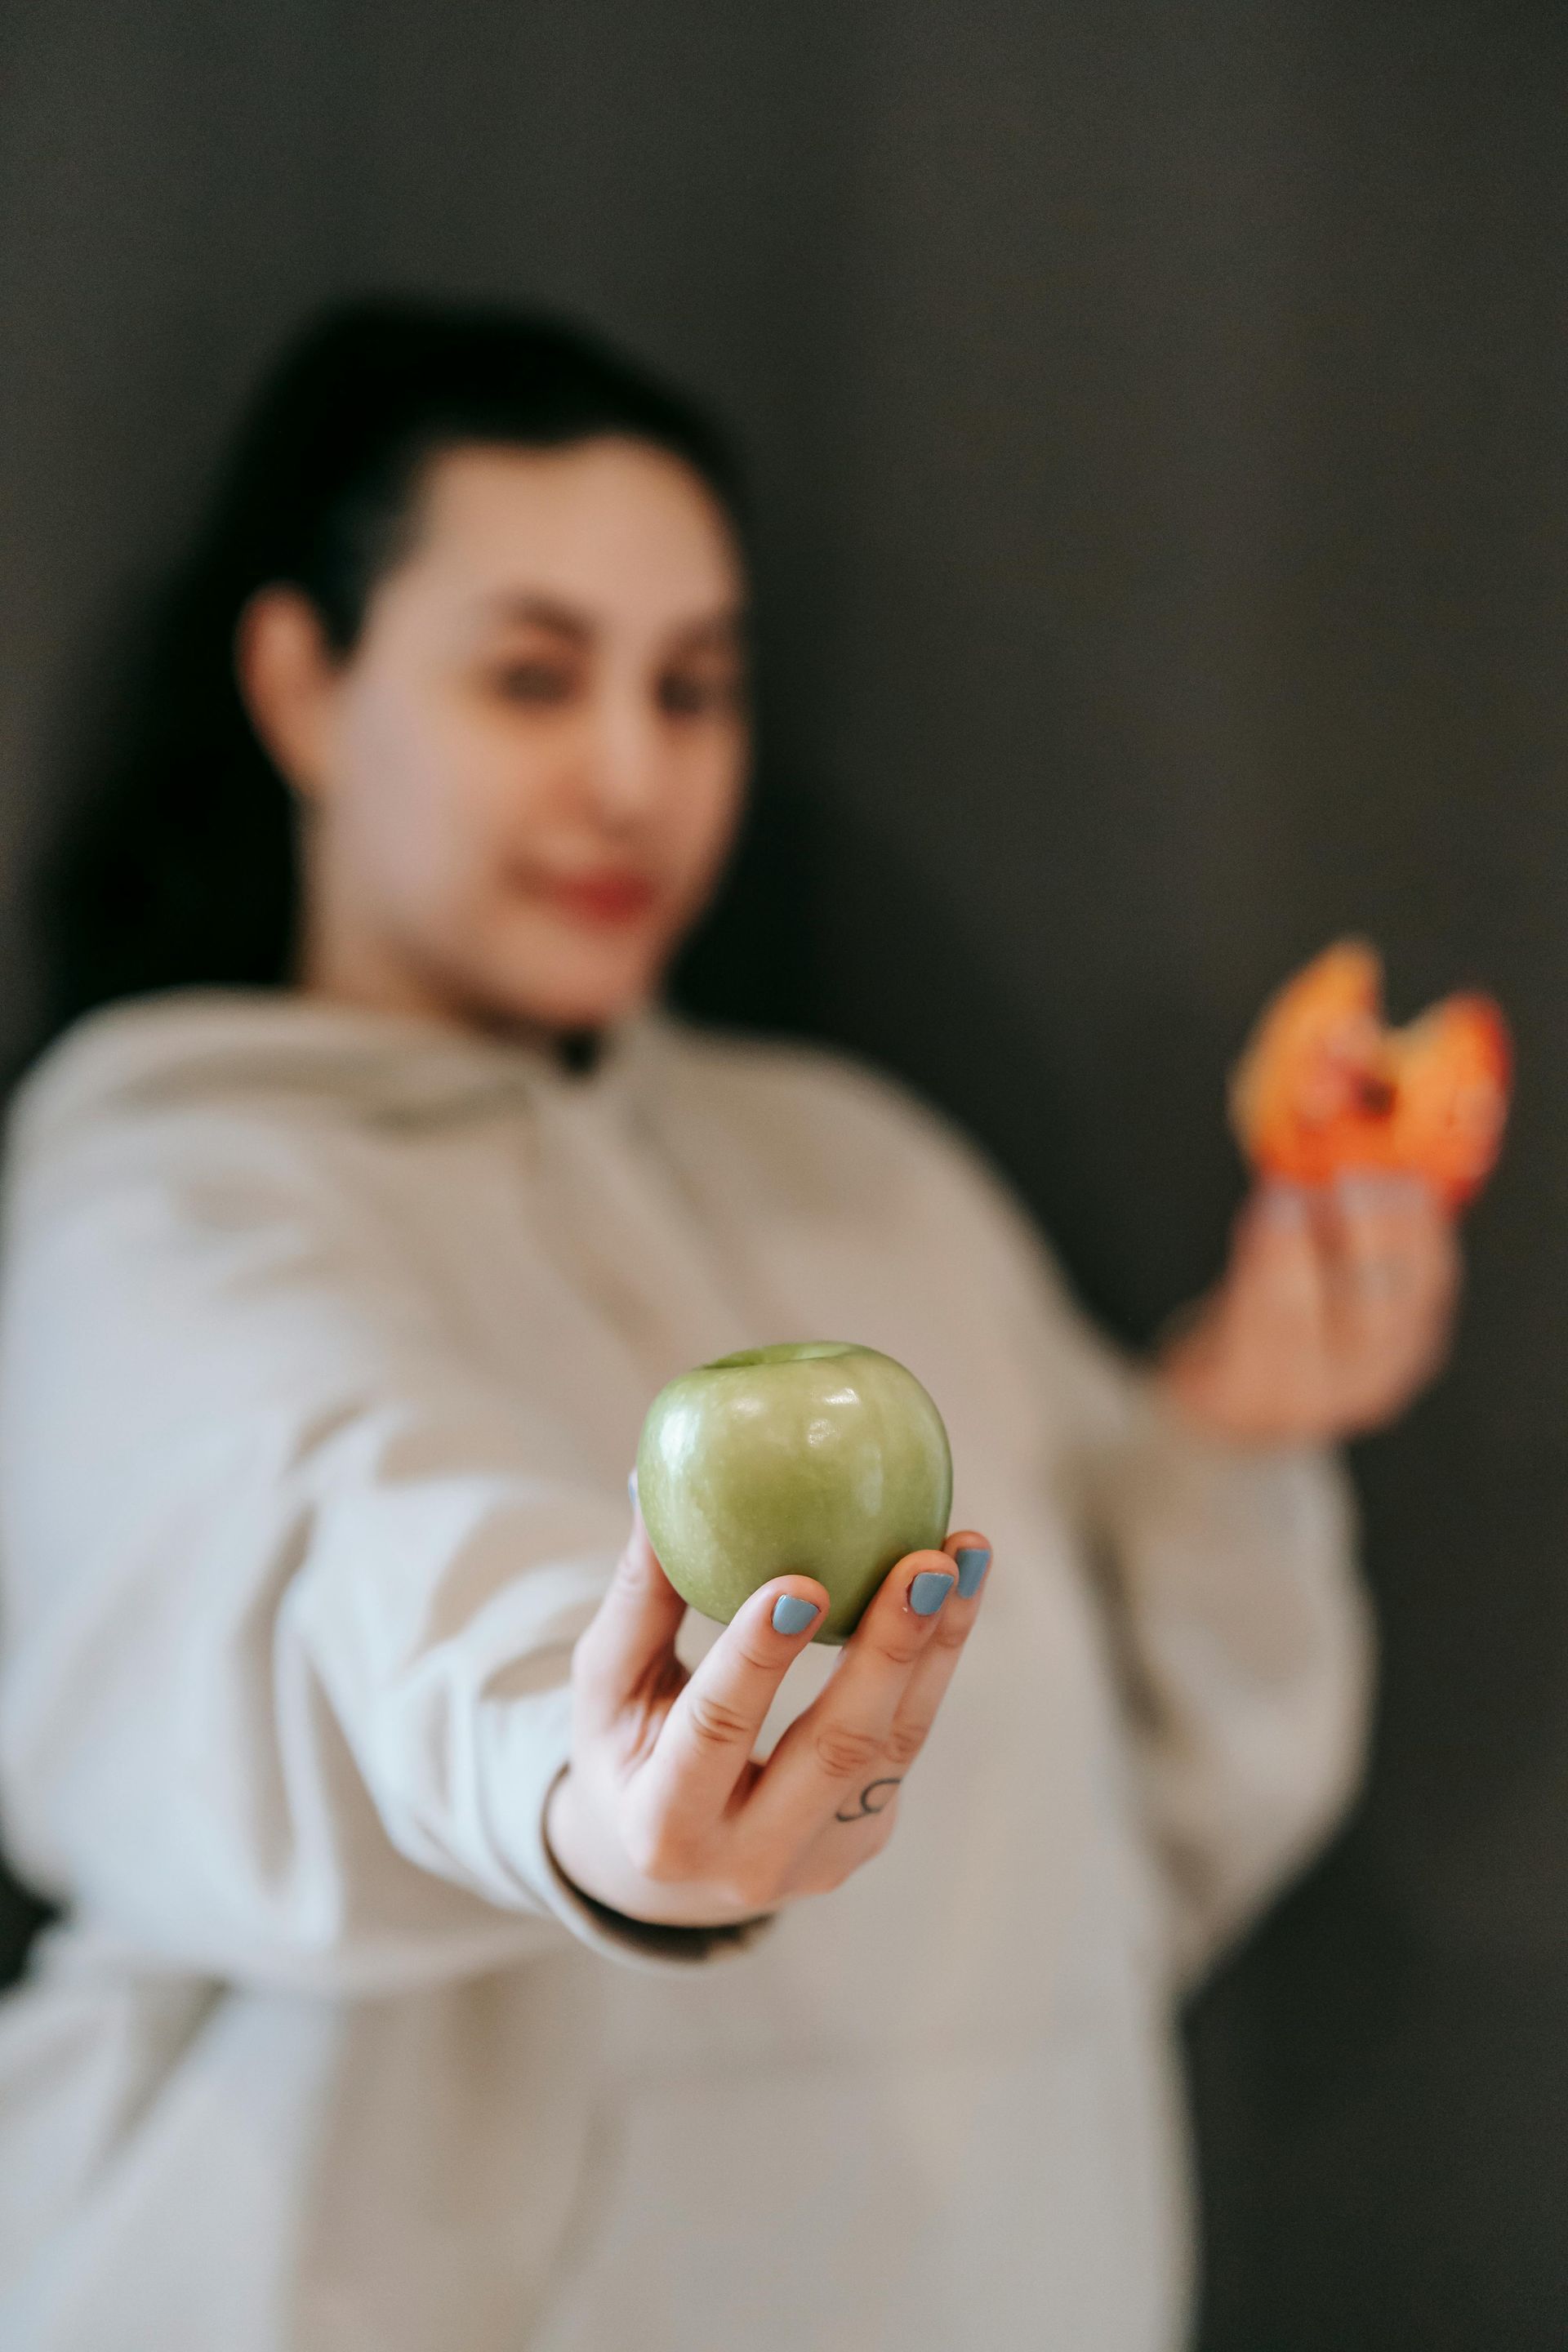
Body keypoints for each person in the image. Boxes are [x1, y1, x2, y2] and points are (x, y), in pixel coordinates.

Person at [0, 302, 1459, 2352]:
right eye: (532, 676)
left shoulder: (864, 1173)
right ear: (301, 687)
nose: (630, 776)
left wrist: (1220, 1445)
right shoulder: (162, 1194)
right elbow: (331, 1530)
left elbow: (1131, 1830)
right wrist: (578, 1789)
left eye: (691, 689)